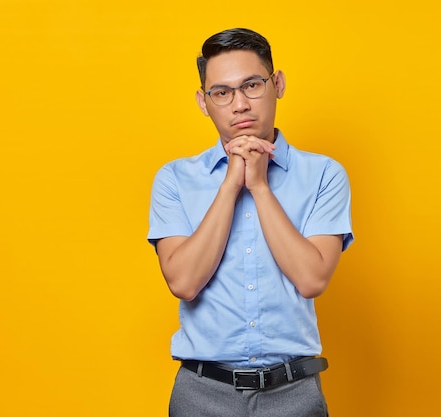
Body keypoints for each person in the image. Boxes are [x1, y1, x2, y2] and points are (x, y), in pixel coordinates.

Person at [147, 28, 353, 417]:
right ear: (203, 102)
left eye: (252, 85)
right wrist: (230, 184)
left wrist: (258, 185)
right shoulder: (174, 179)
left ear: (277, 84)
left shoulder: (324, 174)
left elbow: (312, 279)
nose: (239, 104)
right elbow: (184, 282)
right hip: (201, 394)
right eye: (221, 93)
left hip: (295, 393)